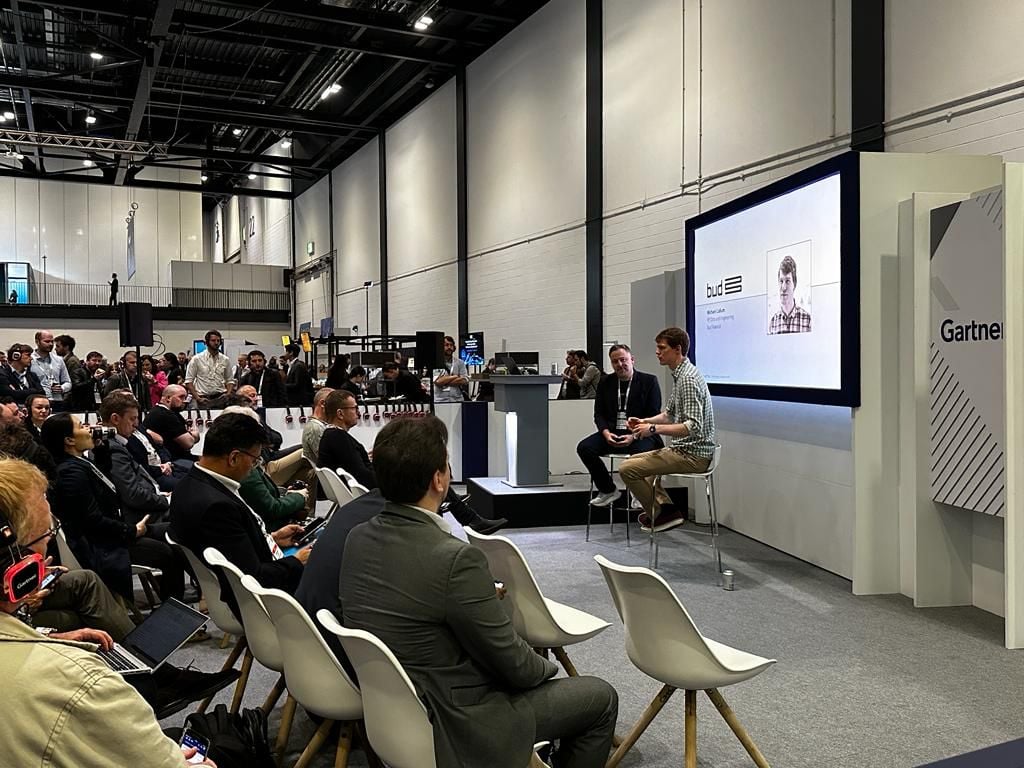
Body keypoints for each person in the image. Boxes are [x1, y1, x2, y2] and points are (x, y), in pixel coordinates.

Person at [340, 416, 618, 768]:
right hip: (457, 719)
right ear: (439, 479)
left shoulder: (357, 538)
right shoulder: (455, 559)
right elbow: (516, 665)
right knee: (599, 698)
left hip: (391, 714)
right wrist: (545, 668)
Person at [0, 458, 219, 767]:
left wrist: (49, 636)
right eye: (46, 537)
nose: (48, 549)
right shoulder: (82, 681)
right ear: (18, 574)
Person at [168, 412, 311, 617]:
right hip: (257, 602)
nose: (254, 467)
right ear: (234, 457)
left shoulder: (189, 484)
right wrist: (297, 561)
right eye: (254, 461)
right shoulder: (217, 507)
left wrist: (272, 539)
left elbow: (232, 548)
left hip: (246, 582)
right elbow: (254, 578)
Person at [318, 389, 506, 533]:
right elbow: (362, 474)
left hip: (370, 487)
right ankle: (469, 519)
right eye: (354, 408)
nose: (358, 412)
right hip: (375, 488)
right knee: (425, 472)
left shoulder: (334, 436)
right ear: (340, 414)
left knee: (424, 470)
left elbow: (357, 466)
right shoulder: (338, 437)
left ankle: (469, 517)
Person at [619, 327, 716, 532]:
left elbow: (693, 427)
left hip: (693, 455)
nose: (657, 352)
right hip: (685, 450)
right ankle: (666, 510)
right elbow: (669, 414)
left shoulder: (688, 380)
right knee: (631, 462)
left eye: (662, 348)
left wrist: (653, 429)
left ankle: (659, 513)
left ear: (677, 349)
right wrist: (643, 421)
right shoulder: (681, 375)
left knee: (627, 470)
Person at [577, 344, 663, 507]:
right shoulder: (605, 382)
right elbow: (599, 414)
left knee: (642, 452)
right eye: (615, 361)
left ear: (632, 360)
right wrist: (606, 433)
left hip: (641, 434)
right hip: (613, 432)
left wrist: (634, 435)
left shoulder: (649, 381)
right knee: (584, 447)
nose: (619, 364)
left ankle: (640, 492)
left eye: (623, 360)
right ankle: (608, 490)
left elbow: (653, 416)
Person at [142, 384, 198, 462]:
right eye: (181, 397)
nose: (184, 401)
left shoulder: (163, 412)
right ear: (168, 398)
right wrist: (195, 435)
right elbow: (188, 443)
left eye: (185, 398)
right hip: (173, 461)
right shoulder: (165, 415)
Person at [184, 330, 234, 408]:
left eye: (218, 340)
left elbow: (230, 380)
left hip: (220, 397)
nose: (216, 343)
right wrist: (197, 398)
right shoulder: (197, 359)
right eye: (213, 340)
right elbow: (188, 381)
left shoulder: (225, 359)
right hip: (203, 398)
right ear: (206, 342)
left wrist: (228, 394)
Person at [768, 254, 812, 334]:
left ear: (794, 284)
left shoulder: (807, 320)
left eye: (787, 281)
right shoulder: (773, 323)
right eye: (781, 281)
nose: (783, 287)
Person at [31, 329, 72, 411]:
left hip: (57, 401)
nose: (50, 344)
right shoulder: (30, 360)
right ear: (37, 342)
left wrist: (62, 388)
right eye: (46, 341)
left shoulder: (59, 360)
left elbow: (68, 382)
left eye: (52, 341)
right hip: (38, 401)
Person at [301, 386, 333, 466]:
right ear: (322, 404)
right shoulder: (315, 428)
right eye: (334, 404)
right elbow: (327, 461)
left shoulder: (319, 426)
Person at [433, 335, 469, 403]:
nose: (449, 347)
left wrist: (445, 381)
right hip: (441, 400)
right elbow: (438, 382)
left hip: (457, 399)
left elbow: (464, 380)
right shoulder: (436, 363)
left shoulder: (460, 363)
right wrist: (455, 376)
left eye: (451, 345)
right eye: (446, 345)